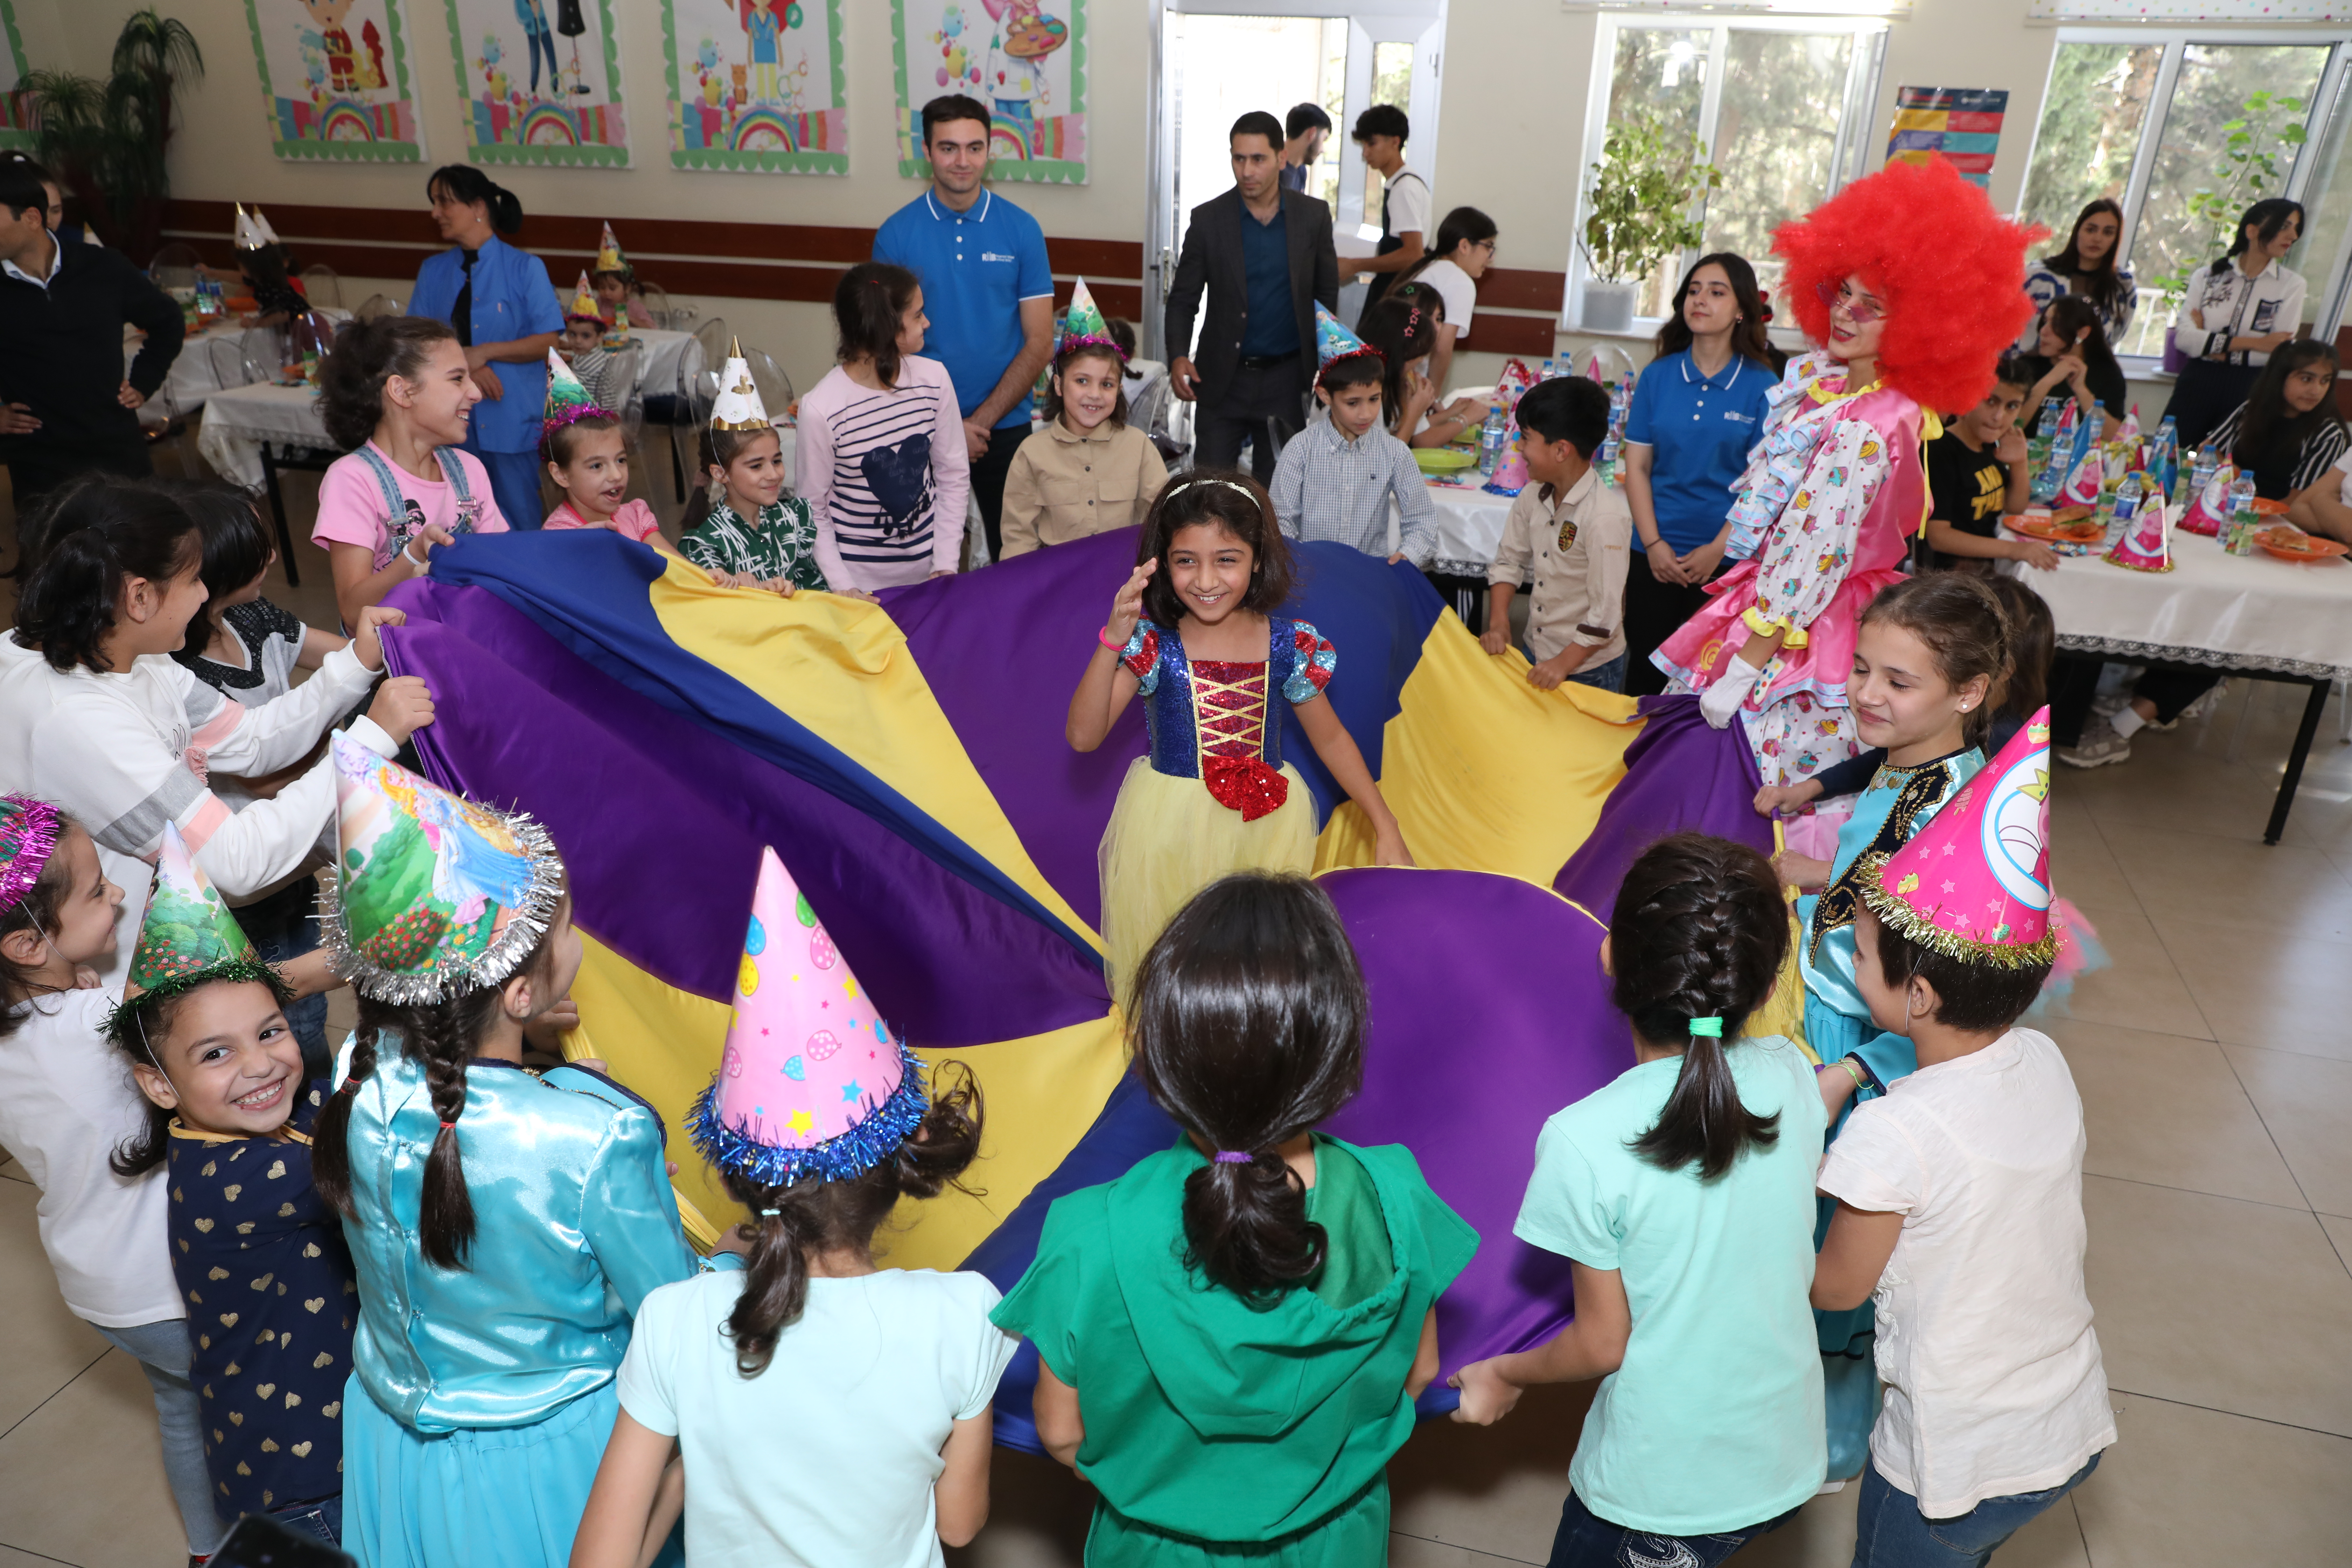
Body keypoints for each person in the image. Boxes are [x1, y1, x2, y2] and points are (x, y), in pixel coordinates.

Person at [309, 739, 717, 1568]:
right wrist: (736, 1268)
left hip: (395, 1438)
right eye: (562, 928)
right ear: (521, 992)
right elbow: (673, 1318)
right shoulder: (597, 1132)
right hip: (554, 1456)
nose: (575, 936)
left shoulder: (356, 1072)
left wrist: (536, 1080)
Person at [992, 872, 1477, 1564]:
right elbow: (1419, 1368)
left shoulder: (1087, 1234)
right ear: (1337, 1058)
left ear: (1159, 1064)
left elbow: (1063, 1431)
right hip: (1335, 1541)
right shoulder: (1397, 1197)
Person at [572, 848, 1013, 1568]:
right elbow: (959, 1525)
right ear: (896, 1172)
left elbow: (599, 1559)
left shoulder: (676, 1318)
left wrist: (700, 1460)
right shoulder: (965, 1313)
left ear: (750, 1180)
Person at [1449, 833, 1830, 1568]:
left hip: (1665, 1493)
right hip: (1782, 1449)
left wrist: (1504, 1371)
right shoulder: (1793, 1074)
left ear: (1611, 959)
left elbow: (1601, 1343)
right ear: (1767, 974)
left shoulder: (1583, 1139)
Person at [1814, 712, 2113, 1566]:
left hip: (1949, 1455)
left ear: (1917, 999)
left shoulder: (1892, 1128)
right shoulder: (2044, 1057)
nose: (1852, 965)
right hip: (2063, 1416)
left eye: (1863, 957)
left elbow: (1834, 1290)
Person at [1750, 572, 2012, 1482]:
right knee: (1801, 1200)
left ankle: (1836, 1397)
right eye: (1863, 668)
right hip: (1829, 991)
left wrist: (1858, 1067)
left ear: (1968, 693)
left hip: (1870, 1040)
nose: (1867, 693)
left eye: (1897, 683)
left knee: (1845, 1219)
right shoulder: (1915, 751)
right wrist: (1811, 791)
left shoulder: (1946, 823)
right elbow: (1878, 778)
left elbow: (1935, 1000)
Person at [1654, 159, 2035, 786]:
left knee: (1753, 789)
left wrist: (1747, 667)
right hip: (1795, 603)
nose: (1847, 314)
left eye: (1873, 306)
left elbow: (1814, 553)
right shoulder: (1830, 391)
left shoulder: (1871, 423)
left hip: (1811, 623)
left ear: (1921, 325)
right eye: (1843, 294)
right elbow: (1770, 508)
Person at [0, 475, 432, 994]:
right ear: (139, 597)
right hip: (114, 959)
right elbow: (236, 861)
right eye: (193, 580)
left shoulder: (124, 652)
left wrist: (356, 665)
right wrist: (370, 740)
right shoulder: (78, 720)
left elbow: (251, 740)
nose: (207, 593)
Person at [1068, 472, 1413, 1002]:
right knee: (1176, 970)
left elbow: (1333, 741)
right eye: (1187, 560)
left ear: (1257, 559)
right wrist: (1112, 640)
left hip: (1265, 830)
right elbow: (1084, 736)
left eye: (1226, 558)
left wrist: (1384, 824)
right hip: (1171, 830)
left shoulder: (1287, 645)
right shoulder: (1153, 645)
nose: (1206, 579)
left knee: (1257, 969)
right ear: (1162, 563)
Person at [108, 826, 356, 1546]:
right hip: (306, 1478)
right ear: (158, 1083)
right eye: (217, 1052)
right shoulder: (237, 1178)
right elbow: (383, 1152)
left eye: (272, 1031)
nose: (261, 1065)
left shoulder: (276, 1111)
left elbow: (345, 1101)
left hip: (307, 1447)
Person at [0, 800, 229, 1563]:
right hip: (171, 1283)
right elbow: (211, 1023)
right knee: (259, 1401)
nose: (120, 897)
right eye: (98, 891)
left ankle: (207, 1548)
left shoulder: (29, 1029)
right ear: (28, 942)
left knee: (182, 1406)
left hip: (99, 1286)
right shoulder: (98, 1030)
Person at [2058, 340, 2347, 770]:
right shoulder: (2253, 410)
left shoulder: (2328, 433)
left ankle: (2128, 722)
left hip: (2277, 544)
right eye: (2306, 378)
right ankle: (2134, 686)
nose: (2315, 390)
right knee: (2159, 579)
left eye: (2324, 381)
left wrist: (2233, 493)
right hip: (2217, 525)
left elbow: (2299, 503)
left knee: (2229, 619)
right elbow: (2207, 455)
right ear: (2280, 378)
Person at [169, 485, 350, 1075]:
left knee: (305, 993)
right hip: (242, 878)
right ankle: (305, 1108)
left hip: (290, 855)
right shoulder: (182, 675)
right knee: (283, 1016)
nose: (272, 556)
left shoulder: (255, 615)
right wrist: (354, 742)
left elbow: (341, 658)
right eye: (256, 548)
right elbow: (267, 776)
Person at [873, 94, 1056, 562]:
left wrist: (978, 423)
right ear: (928, 151)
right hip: (917, 427)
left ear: (990, 150)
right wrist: (947, 427)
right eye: (949, 148)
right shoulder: (895, 234)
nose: (963, 160)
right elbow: (883, 344)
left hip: (1004, 428)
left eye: (975, 148)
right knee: (923, 562)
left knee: (1013, 561)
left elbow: (1039, 344)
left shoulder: (1022, 230)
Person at [1620, 253, 1779, 696]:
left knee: (1705, 685)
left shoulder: (1763, 386)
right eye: (1693, 290)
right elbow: (1637, 466)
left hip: (1725, 561)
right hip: (1653, 553)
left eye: (1716, 291)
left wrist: (1717, 550)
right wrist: (1653, 545)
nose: (1701, 300)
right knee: (1645, 678)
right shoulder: (1657, 376)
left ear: (1742, 309)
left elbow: (1763, 486)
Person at [1164, 111, 1341, 484]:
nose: (1247, 171)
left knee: (1277, 496)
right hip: (1221, 379)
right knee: (1211, 491)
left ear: (1280, 158)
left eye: (1258, 159)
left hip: (1287, 378)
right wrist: (1178, 354)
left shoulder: (1313, 217)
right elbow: (1183, 298)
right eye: (1238, 158)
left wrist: (1327, 363)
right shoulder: (1209, 220)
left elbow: (1325, 297)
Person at [0, 160, 183, 509]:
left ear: (31, 219)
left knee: (140, 551)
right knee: (52, 558)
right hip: (39, 463)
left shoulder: (103, 268)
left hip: (116, 448)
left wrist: (144, 381)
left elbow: (168, 321)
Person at [313, 315, 511, 632]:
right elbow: (353, 612)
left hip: (467, 647)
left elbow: (506, 568)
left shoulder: (469, 469)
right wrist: (414, 555)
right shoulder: (353, 479)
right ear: (402, 391)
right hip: (394, 670)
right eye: (458, 379)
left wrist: (572, 544)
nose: (475, 392)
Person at [407, 165, 564, 534]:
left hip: (509, 415)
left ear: (478, 206)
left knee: (518, 519)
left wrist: (485, 351)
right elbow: (416, 342)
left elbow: (548, 342)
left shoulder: (525, 268)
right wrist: (468, 364)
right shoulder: (434, 271)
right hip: (447, 419)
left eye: (444, 202)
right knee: (458, 521)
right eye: (433, 203)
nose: (435, 213)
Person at [799, 262, 968, 594]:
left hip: (930, 577)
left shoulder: (934, 380)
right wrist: (844, 587)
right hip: (857, 586)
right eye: (918, 315)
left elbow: (953, 475)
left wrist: (945, 563)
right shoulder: (822, 408)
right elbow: (812, 509)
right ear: (888, 326)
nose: (927, 323)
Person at [1479, 377, 1635, 693]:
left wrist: (1563, 664)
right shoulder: (1531, 495)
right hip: (1537, 652)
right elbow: (1509, 561)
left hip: (1589, 669)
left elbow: (1606, 615)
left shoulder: (1605, 518)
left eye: (1525, 438)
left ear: (1561, 450)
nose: (1518, 448)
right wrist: (1499, 624)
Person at [1001, 280, 1168, 558]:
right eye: (1082, 381)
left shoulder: (1138, 447)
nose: (1095, 395)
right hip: (1057, 584)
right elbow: (1018, 537)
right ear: (1058, 384)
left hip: (1124, 582)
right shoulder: (1032, 453)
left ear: (1119, 390)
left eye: (1107, 384)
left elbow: (1161, 521)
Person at [1269, 306, 1439, 567]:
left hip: (1369, 578)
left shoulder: (1394, 452)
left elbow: (1423, 520)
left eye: (1374, 400)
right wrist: (1295, 564)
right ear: (1326, 396)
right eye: (1352, 403)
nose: (1366, 414)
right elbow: (1280, 522)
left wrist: (1407, 556)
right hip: (1310, 576)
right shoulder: (1301, 449)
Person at [682, 344, 826, 594]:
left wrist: (795, 591)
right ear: (720, 474)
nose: (774, 474)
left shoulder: (793, 520)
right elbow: (709, 612)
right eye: (757, 466)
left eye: (777, 461)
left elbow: (814, 591)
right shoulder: (706, 545)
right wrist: (748, 591)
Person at [2167, 197, 2306, 453]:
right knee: (2170, 455)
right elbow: (2185, 339)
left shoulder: (2291, 285)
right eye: (2285, 226)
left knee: (2220, 467)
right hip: (2198, 378)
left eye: (2296, 228)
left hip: (2251, 386)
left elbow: (2279, 349)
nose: (2293, 235)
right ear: (2252, 231)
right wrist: (2254, 343)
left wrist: (2209, 342)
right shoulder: (2208, 277)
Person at [1921, 356, 2055, 574]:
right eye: (1990, 401)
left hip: (1983, 568)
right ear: (1967, 396)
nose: (1999, 417)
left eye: (2012, 407)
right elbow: (1938, 537)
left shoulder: (1986, 446)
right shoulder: (1941, 450)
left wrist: (2020, 463)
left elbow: (2015, 508)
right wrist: (2014, 550)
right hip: (1947, 577)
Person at [541, 354, 666, 547]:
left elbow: (677, 569)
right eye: (597, 465)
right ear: (561, 475)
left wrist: (706, 576)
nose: (616, 475)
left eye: (621, 461)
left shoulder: (635, 516)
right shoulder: (558, 536)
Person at [1392, 206, 1497, 398]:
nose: (1491, 258)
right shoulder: (1460, 282)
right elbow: (1442, 348)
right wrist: (1434, 398)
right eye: (1488, 247)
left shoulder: (1427, 268)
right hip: (1406, 386)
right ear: (1464, 246)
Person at [1357, 281, 1475, 447]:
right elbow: (1385, 461)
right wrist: (1414, 413)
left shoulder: (1391, 381)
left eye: (1439, 319)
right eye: (1415, 357)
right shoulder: (1362, 390)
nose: (1419, 362)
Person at [1341, 104, 1429, 313]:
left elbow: (1413, 255)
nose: (1365, 153)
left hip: (1398, 295)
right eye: (1364, 145)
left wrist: (1356, 265)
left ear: (1395, 141)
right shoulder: (1406, 182)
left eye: (1372, 144)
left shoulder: (1403, 189)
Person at [2018, 198, 2136, 350]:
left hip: (2090, 371)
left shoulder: (2123, 284)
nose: (2097, 239)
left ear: (2116, 239)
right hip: (2033, 369)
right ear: (2077, 231)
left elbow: (2115, 337)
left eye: (2108, 233)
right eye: (2091, 230)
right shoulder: (2038, 275)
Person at [2017, 296, 2124, 441]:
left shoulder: (2107, 373)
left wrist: (2082, 391)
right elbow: (2007, 429)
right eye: (2045, 322)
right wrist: (2047, 382)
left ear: (2082, 333)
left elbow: (2117, 439)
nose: (2043, 331)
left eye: (2055, 324)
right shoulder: (2026, 365)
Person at [1278, 102, 1331, 194]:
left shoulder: (1301, 171)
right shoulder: (1271, 169)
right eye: (1324, 139)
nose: (1323, 150)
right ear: (1312, 134)